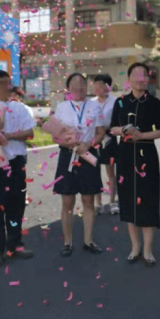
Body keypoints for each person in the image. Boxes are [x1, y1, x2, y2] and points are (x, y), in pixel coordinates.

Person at [109, 63, 160, 267]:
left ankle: (148, 250)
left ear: (147, 79)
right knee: (128, 200)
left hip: (146, 155)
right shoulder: (120, 102)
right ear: (129, 79)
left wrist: (141, 135)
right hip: (125, 155)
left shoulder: (154, 103)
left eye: (143, 75)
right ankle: (135, 248)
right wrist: (123, 131)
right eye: (135, 74)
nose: (139, 78)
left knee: (148, 200)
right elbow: (112, 128)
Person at [0, 70, 36, 266]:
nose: (7, 87)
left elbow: (30, 133)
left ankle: (15, 244)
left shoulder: (19, 108)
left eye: (8, 82)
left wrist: (9, 136)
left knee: (16, 205)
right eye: (1, 83)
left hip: (16, 161)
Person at [51, 73, 107, 257]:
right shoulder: (62, 107)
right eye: (74, 84)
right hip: (68, 155)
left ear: (86, 86)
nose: (78, 87)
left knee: (88, 200)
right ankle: (67, 242)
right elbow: (55, 135)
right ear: (68, 88)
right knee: (67, 201)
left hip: (88, 155)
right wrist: (68, 143)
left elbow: (100, 132)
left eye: (82, 83)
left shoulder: (94, 106)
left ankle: (88, 241)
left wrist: (89, 144)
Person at [92, 74, 119, 216]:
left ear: (108, 86)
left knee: (110, 172)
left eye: (101, 84)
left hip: (109, 139)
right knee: (95, 171)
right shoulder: (91, 103)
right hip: (94, 139)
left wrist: (107, 128)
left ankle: (113, 202)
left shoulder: (115, 102)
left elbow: (119, 121)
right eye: (96, 84)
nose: (98, 87)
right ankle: (98, 203)